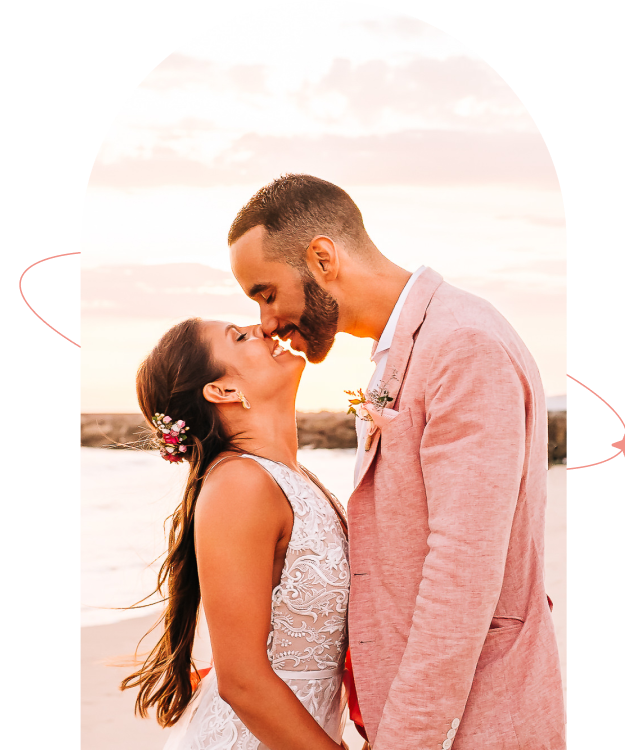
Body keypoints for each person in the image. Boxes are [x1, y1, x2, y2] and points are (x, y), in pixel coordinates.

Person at [227, 174, 567, 750]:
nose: (266, 322)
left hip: (479, 720)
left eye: (266, 293)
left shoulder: (462, 344)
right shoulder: (406, 346)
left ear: (323, 259)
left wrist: (405, 740)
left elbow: (462, 572)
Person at [121, 317, 352, 750]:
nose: (262, 328)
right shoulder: (240, 485)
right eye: (240, 337)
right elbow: (242, 681)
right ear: (223, 390)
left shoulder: (293, 478)